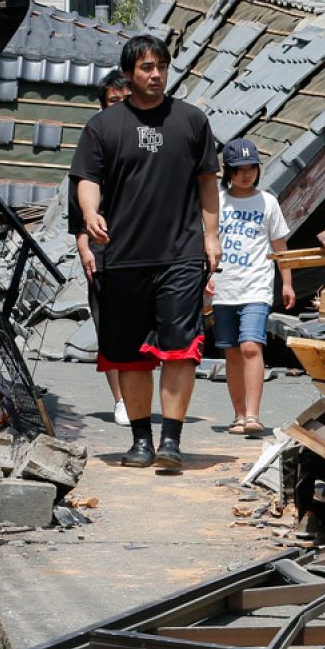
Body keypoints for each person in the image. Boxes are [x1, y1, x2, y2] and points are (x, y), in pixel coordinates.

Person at [69, 35, 221, 470]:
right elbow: (87, 177)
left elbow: (207, 180)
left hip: (181, 253)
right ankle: (140, 440)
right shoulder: (104, 126)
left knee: (179, 348)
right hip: (123, 256)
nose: (155, 75)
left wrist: (211, 236)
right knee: (129, 354)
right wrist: (90, 212)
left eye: (161, 67)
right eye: (146, 68)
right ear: (129, 73)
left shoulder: (192, 121)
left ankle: (170, 441)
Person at [207, 139, 294, 436]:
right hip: (223, 287)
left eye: (251, 168)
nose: (246, 175)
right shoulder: (216, 202)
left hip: (256, 286)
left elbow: (280, 247)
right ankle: (239, 414)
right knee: (231, 352)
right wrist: (203, 277)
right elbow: (204, 243)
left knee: (250, 346)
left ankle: (254, 414)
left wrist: (288, 284)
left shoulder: (268, 202)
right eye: (239, 169)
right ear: (227, 171)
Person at [69, 71, 131, 424]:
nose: (119, 107)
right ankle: (121, 399)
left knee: (139, 325)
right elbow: (76, 205)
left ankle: (137, 393)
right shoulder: (92, 139)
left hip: (140, 245)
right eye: (113, 101)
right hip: (102, 246)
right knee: (109, 324)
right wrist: (84, 247)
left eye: (125, 100)